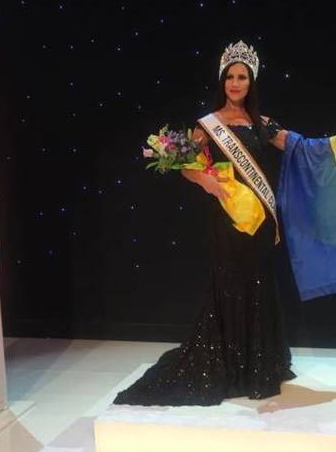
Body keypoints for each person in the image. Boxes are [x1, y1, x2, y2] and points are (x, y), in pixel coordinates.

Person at [113, 40, 296, 406]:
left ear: (251, 82)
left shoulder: (263, 124)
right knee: (229, 283)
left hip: (258, 222)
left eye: (242, 77)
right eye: (230, 77)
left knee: (259, 282)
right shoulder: (209, 125)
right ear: (222, 80)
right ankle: (229, 364)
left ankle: (259, 363)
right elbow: (186, 167)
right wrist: (206, 182)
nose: (235, 83)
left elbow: (301, 146)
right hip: (226, 219)